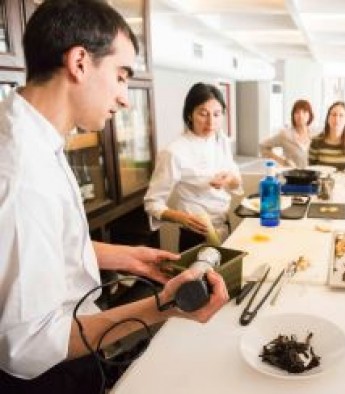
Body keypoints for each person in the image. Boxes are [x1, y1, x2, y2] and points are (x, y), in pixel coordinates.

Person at [0, 2, 228, 393]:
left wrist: (128, 257)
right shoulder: (22, 172)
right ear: (79, 62)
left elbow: (45, 243)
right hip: (46, 376)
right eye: (121, 76)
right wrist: (163, 307)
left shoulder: (32, 136)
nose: (125, 97)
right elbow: (28, 345)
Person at [144, 83, 242, 252]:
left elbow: (236, 182)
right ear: (190, 114)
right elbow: (152, 203)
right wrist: (183, 218)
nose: (211, 122)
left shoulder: (221, 140)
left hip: (224, 226)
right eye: (203, 114)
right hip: (194, 235)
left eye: (217, 114)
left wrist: (229, 180)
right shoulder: (174, 151)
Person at [259, 99, 314, 168]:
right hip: (290, 176)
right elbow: (262, 146)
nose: (300, 116)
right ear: (293, 115)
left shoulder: (315, 136)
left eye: (304, 112)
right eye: (297, 112)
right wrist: (281, 160)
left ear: (310, 115)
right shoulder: (285, 135)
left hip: (311, 176)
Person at [308, 101, 345, 170]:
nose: (336, 119)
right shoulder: (316, 141)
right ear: (328, 118)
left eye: (341, 115)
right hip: (323, 180)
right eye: (333, 115)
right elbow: (312, 169)